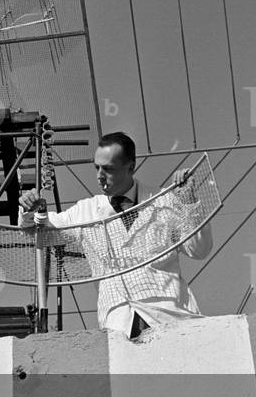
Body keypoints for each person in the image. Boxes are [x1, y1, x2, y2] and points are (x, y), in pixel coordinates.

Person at [18, 131, 213, 339]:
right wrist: (31, 209)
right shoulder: (86, 211)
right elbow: (40, 230)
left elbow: (199, 249)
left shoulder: (165, 201)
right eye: (97, 167)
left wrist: (189, 201)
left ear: (130, 167)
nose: (99, 176)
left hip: (169, 316)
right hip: (119, 325)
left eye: (108, 169)